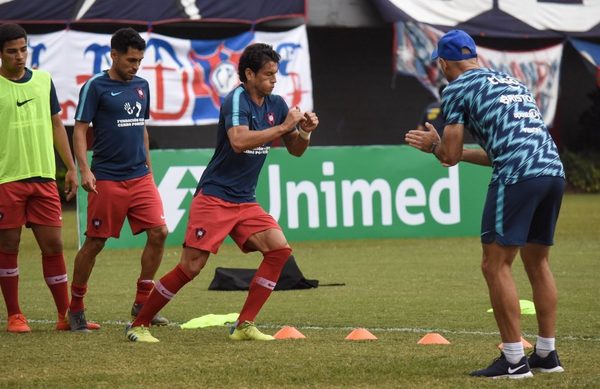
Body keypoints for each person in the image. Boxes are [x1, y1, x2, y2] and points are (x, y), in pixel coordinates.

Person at [125, 42, 319, 343]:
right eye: (268, 74)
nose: (274, 80)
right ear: (249, 74)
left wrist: (304, 131)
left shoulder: (277, 104)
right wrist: (283, 128)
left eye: (275, 74)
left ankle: (244, 325)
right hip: (215, 196)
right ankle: (138, 325)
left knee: (279, 251)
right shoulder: (236, 100)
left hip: (245, 200)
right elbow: (239, 141)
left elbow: (295, 151)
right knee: (191, 267)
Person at [405, 30, 565, 379]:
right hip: (552, 170)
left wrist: (434, 146)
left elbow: (449, 154)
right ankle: (547, 354)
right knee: (538, 263)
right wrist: (453, 154)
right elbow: (497, 149)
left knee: (495, 265)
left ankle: (513, 360)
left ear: (444, 63)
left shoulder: (456, 88)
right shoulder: (511, 81)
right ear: (474, 56)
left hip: (518, 175)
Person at [68, 27, 169, 332]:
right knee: (95, 243)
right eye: (130, 60)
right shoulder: (95, 87)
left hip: (140, 178)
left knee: (160, 232)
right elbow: (80, 130)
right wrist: (85, 169)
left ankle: (143, 304)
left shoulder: (142, 85)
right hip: (108, 179)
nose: (135, 66)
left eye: (139, 60)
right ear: (113, 55)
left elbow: (142, 130)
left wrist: (149, 172)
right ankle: (76, 307)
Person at [0, 23, 89, 332]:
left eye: (23, 49)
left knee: (53, 245)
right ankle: (15, 314)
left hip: (43, 178)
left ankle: (64, 316)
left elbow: (56, 125)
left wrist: (73, 167)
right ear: (1, 54)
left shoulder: (43, 80)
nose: (20, 56)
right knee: (8, 246)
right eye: (12, 51)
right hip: (6, 179)